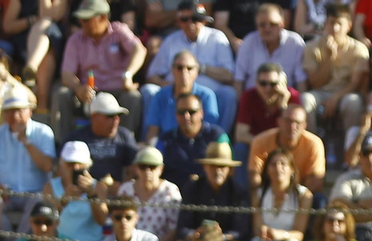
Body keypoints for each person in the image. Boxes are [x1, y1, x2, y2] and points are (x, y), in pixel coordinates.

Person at [145, 1, 239, 134]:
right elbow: (152, 75)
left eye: (196, 19)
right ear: (178, 21)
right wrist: (169, 85)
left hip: (207, 95)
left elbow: (229, 75)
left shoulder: (217, 38)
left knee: (229, 94)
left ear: (205, 21)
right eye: (185, 19)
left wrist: (201, 68)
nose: (191, 23)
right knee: (149, 90)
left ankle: (220, 138)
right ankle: (151, 142)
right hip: (175, 94)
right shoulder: (170, 41)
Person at [55, 0, 147, 132]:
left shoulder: (119, 31)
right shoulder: (75, 40)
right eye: (81, 19)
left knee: (133, 97)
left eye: (87, 19)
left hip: (117, 91)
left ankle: (125, 142)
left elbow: (139, 50)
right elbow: (66, 74)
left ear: (103, 17)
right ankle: (64, 144)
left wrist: (127, 75)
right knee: (62, 94)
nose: (82, 23)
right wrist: (78, 88)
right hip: (88, 94)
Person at [0, 89, 58, 224]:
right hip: (6, 195)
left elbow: (47, 166)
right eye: (9, 111)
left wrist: (26, 141)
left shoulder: (43, 132)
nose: (14, 116)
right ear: (4, 114)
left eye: (19, 111)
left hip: (35, 193)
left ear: (30, 111)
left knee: (38, 203)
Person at [303, 4, 369, 137]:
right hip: (321, 92)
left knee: (353, 102)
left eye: (339, 23)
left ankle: (350, 149)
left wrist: (335, 99)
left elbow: (355, 84)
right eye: (331, 23)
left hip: (345, 93)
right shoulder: (312, 47)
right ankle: (311, 144)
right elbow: (315, 83)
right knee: (305, 99)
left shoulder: (358, 49)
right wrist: (328, 57)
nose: (335, 28)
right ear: (325, 24)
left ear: (349, 26)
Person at [158, 91, 231, 194]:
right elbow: (156, 169)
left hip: (210, 196)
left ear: (201, 113)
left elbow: (229, 169)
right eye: (181, 112)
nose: (186, 116)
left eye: (191, 112)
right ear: (176, 115)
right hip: (173, 198)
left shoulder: (217, 136)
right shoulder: (165, 140)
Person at [112, 144, 183, 241]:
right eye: (143, 166)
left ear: (161, 169)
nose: (147, 171)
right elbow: (117, 221)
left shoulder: (170, 191)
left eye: (152, 167)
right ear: (136, 168)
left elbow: (173, 230)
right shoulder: (125, 189)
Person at [233, 4, 307, 100]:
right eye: (262, 25)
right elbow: (238, 80)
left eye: (273, 24)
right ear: (257, 26)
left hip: (285, 100)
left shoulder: (294, 43)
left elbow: (301, 80)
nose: (267, 29)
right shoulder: (248, 43)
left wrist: (298, 107)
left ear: (282, 24)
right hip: (254, 101)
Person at [247, 104, 325, 193]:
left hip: (301, 193)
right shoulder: (260, 141)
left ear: (304, 126)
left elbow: (315, 180)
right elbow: (254, 175)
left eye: (297, 123)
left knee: (319, 201)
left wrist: (295, 199)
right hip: (268, 191)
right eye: (288, 121)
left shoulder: (314, 143)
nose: (292, 127)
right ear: (279, 122)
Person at [143, 51, 221, 138]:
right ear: (172, 70)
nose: (184, 72)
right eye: (179, 68)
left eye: (189, 68)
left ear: (197, 72)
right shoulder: (160, 96)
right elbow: (153, 131)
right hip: (166, 146)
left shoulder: (207, 96)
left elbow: (209, 131)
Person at [48, 140, 109, 241]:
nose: (75, 168)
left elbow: (102, 220)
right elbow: (46, 219)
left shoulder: (99, 187)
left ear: (88, 165)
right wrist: (63, 200)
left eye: (80, 164)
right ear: (62, 164)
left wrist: (92, 194)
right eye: (70, 164)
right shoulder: (50, 186)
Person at [237, 61, 302, 143]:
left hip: (284, 147)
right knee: (240, 148)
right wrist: (266, 145)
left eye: (273, 84)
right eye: (263, 83)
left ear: (282, 84)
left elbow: (294, 134)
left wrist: (283, 107)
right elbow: (241, 135)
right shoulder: (248, 96)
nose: (268, 89)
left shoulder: (293, 97)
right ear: (256, 83)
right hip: (256, 144)